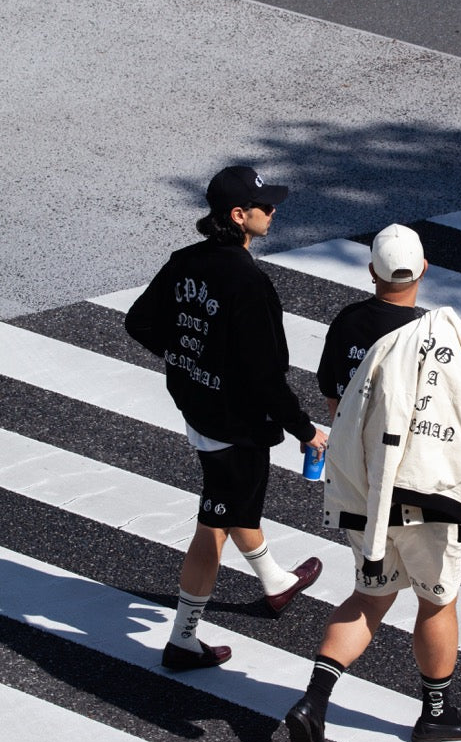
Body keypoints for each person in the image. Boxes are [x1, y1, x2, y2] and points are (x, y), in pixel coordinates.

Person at [285, 224, 461, 742]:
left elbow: (338, 405)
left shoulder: (347, 324)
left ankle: (313, 701)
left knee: (370, 597)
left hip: (361, 490)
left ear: (372, 272)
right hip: (423, 495)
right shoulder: (437, 338)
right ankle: (435, 713)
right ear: (423, 269)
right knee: (436, 599)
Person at [125, 164, 327, 672]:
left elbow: (139, 322)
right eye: (264, 206)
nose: (272, 211)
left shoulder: (185, 261)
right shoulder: (249, 283)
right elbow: (266, 377)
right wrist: (305, 430)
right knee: (213, 526)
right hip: (236, 424)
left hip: (196, 406)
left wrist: (187, 357)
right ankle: (182, 641)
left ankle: (276, 583)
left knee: (233, 506)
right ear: (239, 216)